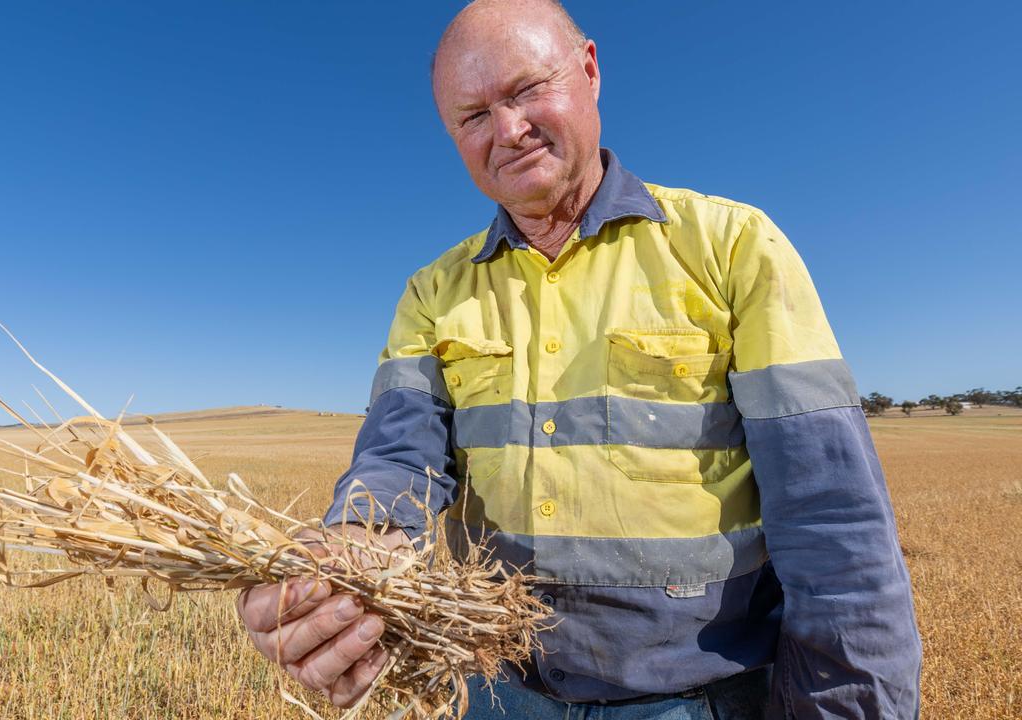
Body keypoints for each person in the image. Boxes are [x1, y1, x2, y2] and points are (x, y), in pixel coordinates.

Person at [236, 1, 923, 717]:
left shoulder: (733, 248)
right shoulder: (432, 292)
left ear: (589, 71)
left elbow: (831, 521)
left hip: (702, 701)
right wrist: (354, 555)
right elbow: (398, 457)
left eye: (527, 90)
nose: (507, 130)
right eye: (472, 116)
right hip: (500, 696)